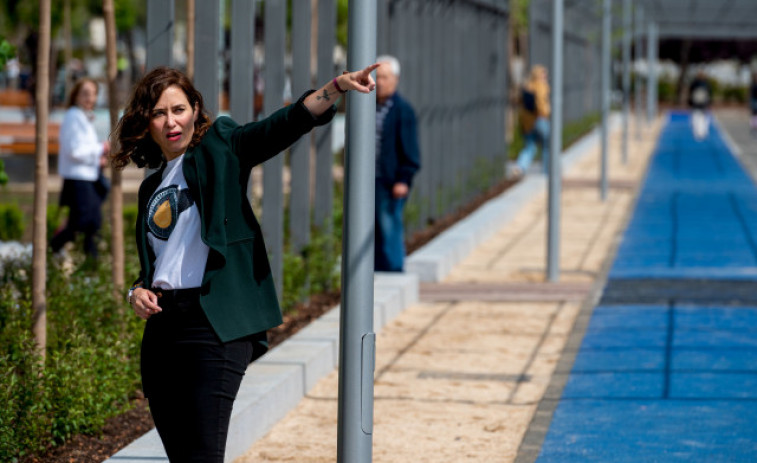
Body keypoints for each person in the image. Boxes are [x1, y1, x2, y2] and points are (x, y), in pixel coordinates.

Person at [112, 65, 378, 462]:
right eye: (159, 113)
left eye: (179, 109)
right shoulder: (152, 186)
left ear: (196, 108)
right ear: (145, 121)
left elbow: (278, 127)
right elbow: (156, 266)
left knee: (202, 454)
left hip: (213, 323)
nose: (171, 121)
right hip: (164, 329)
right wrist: (136, 291)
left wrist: (335, 87)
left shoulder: (220, 146)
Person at [50, 78, 110, 260]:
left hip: (87, 176)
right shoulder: (73, 116)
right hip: (78, 178)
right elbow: (75, 150)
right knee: (84, 223)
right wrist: (101, 148)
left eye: (93, 93)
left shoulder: (83, 116)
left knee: (90, 223)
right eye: (85, 93)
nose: (90, 98)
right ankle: (55, 247)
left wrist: (97, 158)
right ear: (76, 95)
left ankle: (89, 262)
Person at [374, 55, 420, 272]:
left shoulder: (403, 110)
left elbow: (410, 150)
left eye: (384, 77)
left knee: (389, 226)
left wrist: (404, 179)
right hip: (371, 179)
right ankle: (375, 270)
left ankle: (393, 270)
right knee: (372, 227)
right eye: (377, 77)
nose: (380, 82)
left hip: (390, 181)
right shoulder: (369, 108)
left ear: (395, 79)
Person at [508, 65, 551, 178]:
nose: (545, 76)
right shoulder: (541, 86)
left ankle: (520, 166)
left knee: (530, 146)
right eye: (543, 74)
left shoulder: (527, 86)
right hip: (540, 120)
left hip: (526, 122)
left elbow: (517, 101)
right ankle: (546, 171)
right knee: (547, 146)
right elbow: (541, 104)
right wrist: (546, 111)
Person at [688, 70, 712, 141]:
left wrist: (690, 101)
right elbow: (709, 93)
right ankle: (702, 132)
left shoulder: (695, 83)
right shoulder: (706, 83)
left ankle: (698, 132)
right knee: (701, 117)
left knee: (696, 117)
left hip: (697, 102)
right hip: (702, 102)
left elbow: (691, 92)